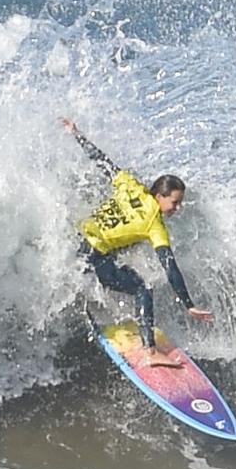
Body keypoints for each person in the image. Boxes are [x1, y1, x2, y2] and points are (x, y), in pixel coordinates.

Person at [61, 117, 213, 366]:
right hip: (94, 255)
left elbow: (102, 161)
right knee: (142, 288)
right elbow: (170, 267)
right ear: (160, 195)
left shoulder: (130, 186)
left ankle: (96, 296)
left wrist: (76, 133)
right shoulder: (154, 224)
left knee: (119, 254)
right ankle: (151, 352)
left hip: (77, 243)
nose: (178, 207)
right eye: (175, 202)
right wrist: (189, 305)